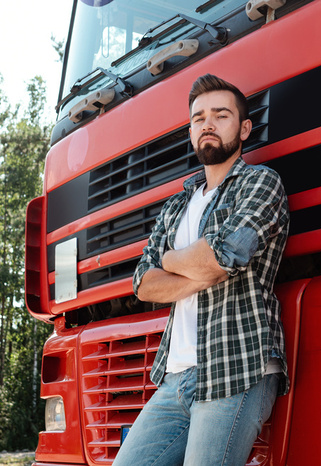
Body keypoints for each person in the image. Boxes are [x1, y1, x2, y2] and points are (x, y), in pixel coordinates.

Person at [114, 74, 289, 466]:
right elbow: (142, 282)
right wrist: (200, 263)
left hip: (236, 369)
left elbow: (223, 258)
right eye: (198, 118)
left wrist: (171, 259)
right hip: (175, 379)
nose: (207, 124)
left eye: (220, 115)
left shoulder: (261, 183)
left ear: (244, 128)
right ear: (191, 131)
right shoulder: (177, 205)